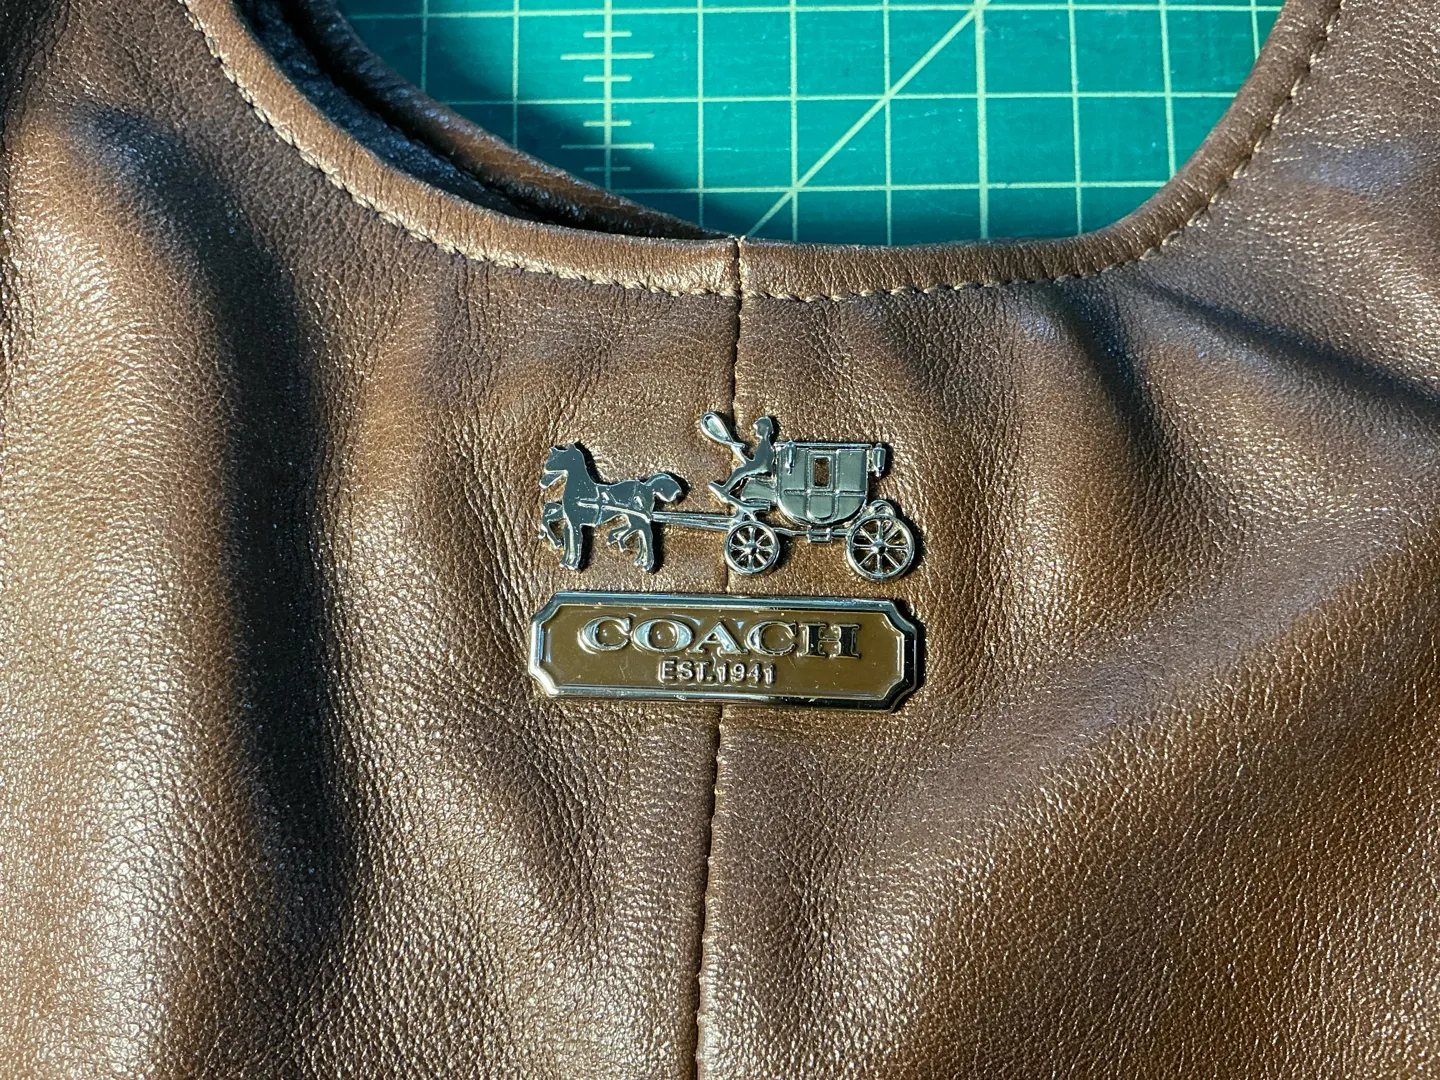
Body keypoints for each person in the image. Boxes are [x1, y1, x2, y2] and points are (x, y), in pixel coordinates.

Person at [710, 416, 777, 510]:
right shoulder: (765, 444)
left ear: (765, 429)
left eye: (759, 428)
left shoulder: (765, 445)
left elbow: (756, 464)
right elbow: (752, 463)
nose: (756, 431)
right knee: (741, 470)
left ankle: (725, 490)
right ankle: (725, 489)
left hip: (763, 469)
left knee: (740, 471)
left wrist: (740, 453)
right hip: (761, 468)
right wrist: (740, 453)